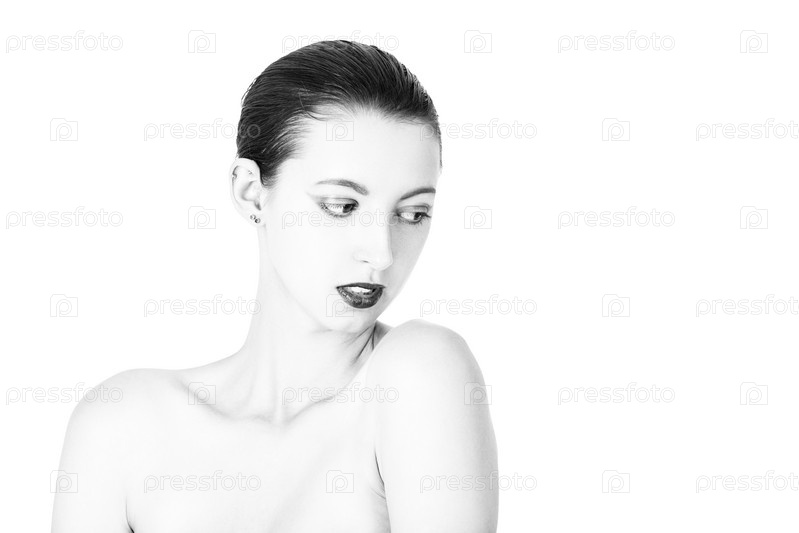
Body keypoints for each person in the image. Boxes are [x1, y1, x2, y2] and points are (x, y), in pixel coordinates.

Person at [52, 39, 498, 532]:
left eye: (412, 214)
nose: (382, 252)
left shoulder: (419, 375)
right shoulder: (120, 426)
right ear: (251, 193)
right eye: (341, 206)